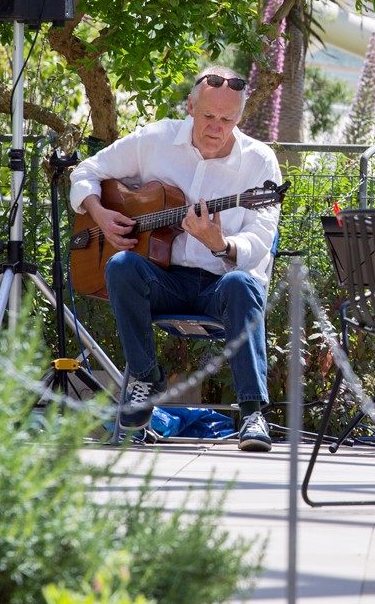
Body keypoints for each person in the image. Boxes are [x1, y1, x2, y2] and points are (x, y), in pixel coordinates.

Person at [69, 66, 283, 451]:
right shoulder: (155, 139)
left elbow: (261, 240)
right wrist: (98, 212)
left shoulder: (260, 162)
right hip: (164, 280)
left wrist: (221, 244)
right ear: (190, 106)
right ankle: (145, 379)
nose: (217, 128)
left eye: (227, 119)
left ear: (240, 118)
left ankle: (253, 413)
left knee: (242, 282)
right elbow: (87, 170)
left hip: (220, 286)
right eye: (208, 117)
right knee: (121, 265)